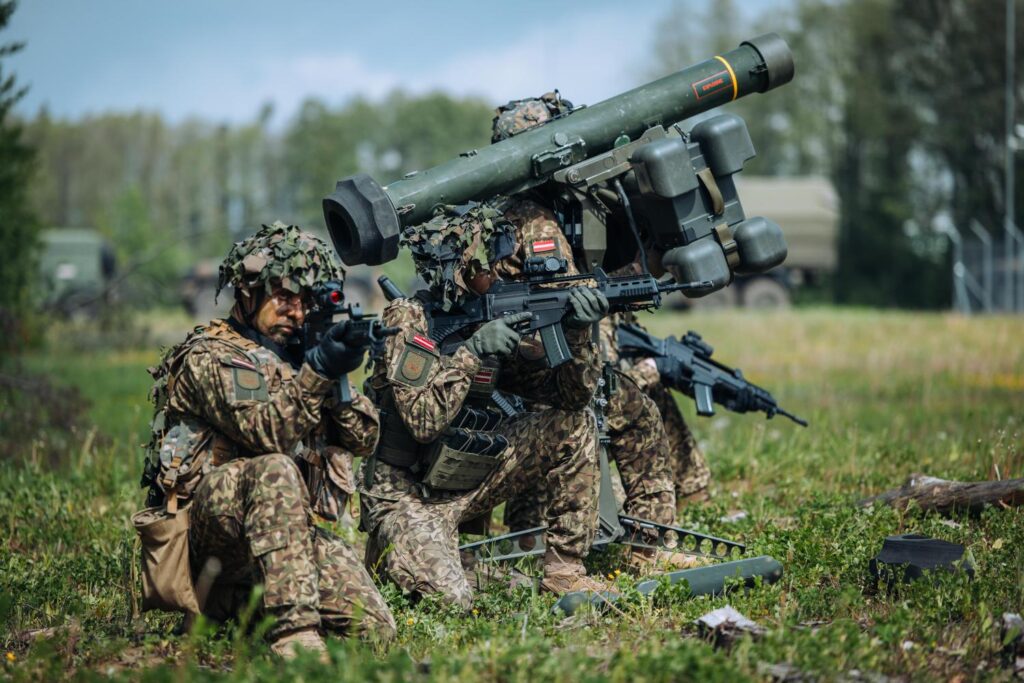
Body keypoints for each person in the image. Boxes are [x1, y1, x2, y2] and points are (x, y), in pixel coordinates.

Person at [139, 221, 396, 658]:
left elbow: (364, 438)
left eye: (305, 302)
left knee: (373, 630)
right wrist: (316, 372)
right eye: (283, 297)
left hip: (281, 535)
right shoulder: (211, 354)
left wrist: (335, 375)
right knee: (274, 468)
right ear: (247, 293)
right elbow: (267, 434)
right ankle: (293, 637)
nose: (295, 312)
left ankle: (240, 613)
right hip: (210, 538)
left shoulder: (298, 358)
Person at [491, 93, 710, 572]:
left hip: (522, 368)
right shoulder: (533, 220)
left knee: (615, 404)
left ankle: (532, 539)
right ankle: (648, 548)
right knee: (631, 410)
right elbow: (569, 293)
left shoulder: (514, 212)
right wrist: (642, 274)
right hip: (533, 368)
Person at [358, 206, 608, 608]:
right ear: (453, 270)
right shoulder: (408, 319)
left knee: (573, 424)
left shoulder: (490, 314)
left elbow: (569, 398)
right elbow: (423, 421)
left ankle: (565, 571)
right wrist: (473, 352)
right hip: (405, 496)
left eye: (495, 263)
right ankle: (399, 556)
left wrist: (578, 334)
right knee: (453, 600)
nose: (495, 275)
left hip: (463, 485)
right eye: (483, 266)